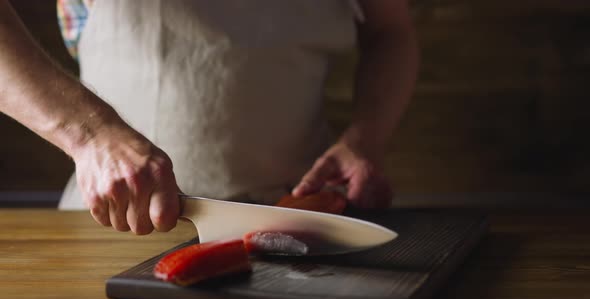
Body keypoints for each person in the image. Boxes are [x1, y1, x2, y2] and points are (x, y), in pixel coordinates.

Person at [0, 0, 418, 234]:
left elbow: (390, 31)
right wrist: (92, 137)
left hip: (300, 221)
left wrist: (366, 138)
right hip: (111, 225)